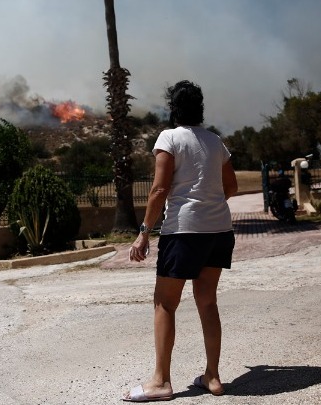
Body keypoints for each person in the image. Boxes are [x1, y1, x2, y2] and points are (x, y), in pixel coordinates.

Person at [123, 80, 238, 401]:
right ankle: (213, 377)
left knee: (165, 304)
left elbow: (159, 190)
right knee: (208, 302)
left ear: (172, 108)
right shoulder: (216, 142)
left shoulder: (169, 138)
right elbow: (231, 188)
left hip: (184, 232)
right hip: (219, 231)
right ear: (200, 107)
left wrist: (143, 232)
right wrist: (208, 199)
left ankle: (161, 382)